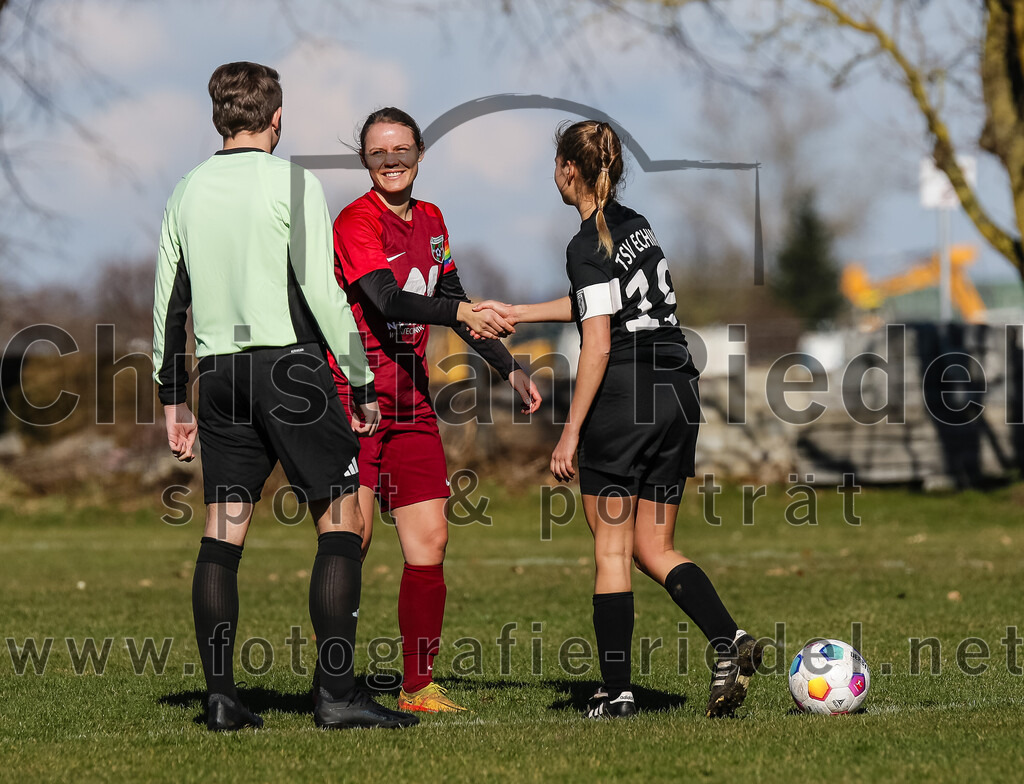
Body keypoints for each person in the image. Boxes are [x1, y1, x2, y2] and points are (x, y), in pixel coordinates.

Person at [153, 62, 417, 731]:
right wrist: (358, 380)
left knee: (222, 532)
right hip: (290, 370)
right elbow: (324, 294)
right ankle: (336, 697)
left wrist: (170, 397)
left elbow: (168, 301)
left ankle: (220, 699)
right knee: (340, 523)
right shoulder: (293, 182)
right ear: (277, 118)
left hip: (216, 374)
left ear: (220, 118)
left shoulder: (185, 190)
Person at [473, 120, 762, 719]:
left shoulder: (585, 244)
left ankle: (617, 691)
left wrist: (571, 432)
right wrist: (520, 313)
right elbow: (601, 301)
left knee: (611, 549)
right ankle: (729, 640)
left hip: (625, 399)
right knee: (655, 547)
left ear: (567, 171)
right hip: (677, 393)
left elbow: (598, 341)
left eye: (554, 164)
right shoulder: (636, 227)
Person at [328, 107, 542, 714]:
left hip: (413, 402)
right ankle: (334, 684)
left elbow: (453, 300)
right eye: (378, 153)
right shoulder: (354, 222)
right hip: (356, 398)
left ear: (421, 153)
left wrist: (508, 364)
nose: (392, 161)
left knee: (431, 541)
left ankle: (418, 687)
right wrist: (458, 314)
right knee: (354, 537)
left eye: (402, 150)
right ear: (365, 161)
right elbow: (385, 297)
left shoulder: (432, 219)